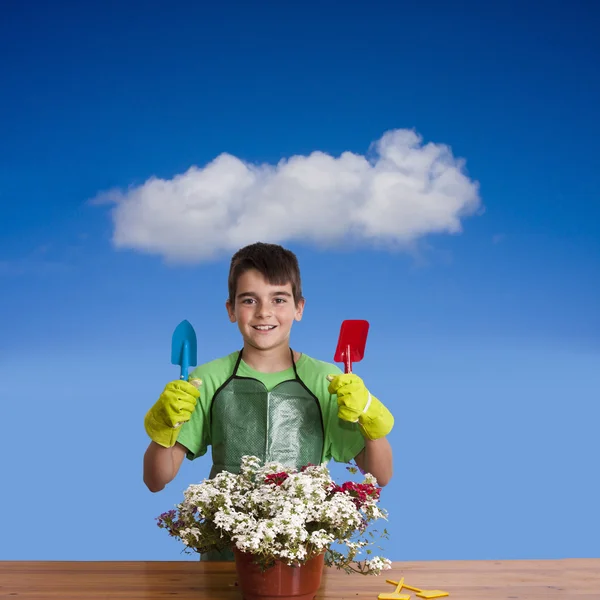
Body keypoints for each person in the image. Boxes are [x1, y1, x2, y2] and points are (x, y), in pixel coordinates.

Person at [142, 242, 394, 559]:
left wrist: (370, 413)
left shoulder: (329, 381)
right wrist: (164, 424)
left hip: (305, 552)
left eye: (279, 299)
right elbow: (155, 479)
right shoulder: (204, 381)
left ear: (299, 308)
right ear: (231, 309)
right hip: (225, 554)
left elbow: (380, 476)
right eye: (249, 300)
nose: (264, 312)